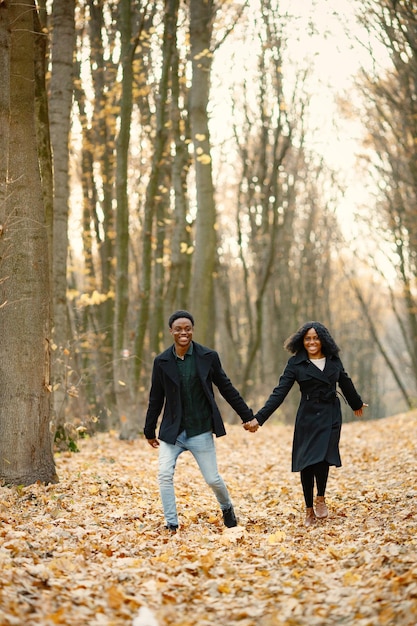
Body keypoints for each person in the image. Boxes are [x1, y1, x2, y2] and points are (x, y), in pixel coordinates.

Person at [244, 321, 367, 527]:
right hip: (308, 416)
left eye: (316, 338)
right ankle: (309, 508)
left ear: (323, 340)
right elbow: (279, 392)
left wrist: (355, 402)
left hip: (330, 414)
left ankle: (321, 498)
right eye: (308, 338)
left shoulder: (333, 360)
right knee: (308, 461)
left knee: (323, 458)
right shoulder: (296, 363)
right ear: (302, 341)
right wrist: (259, 418)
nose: (312, 342)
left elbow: (345, 381)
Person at [144, 310, 254, 532]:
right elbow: (156, 397)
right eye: (178, 329)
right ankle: (171, 523)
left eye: (187, 328)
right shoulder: (162, 361)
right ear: (171, 332)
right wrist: (149, 429)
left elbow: (226, 387)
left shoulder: (208, 357)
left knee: (213, 479)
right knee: (164, 474)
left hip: (200, 429)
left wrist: (247, 415)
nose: (183, 332)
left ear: (192, 330)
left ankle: (227, 507)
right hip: (172, 432)